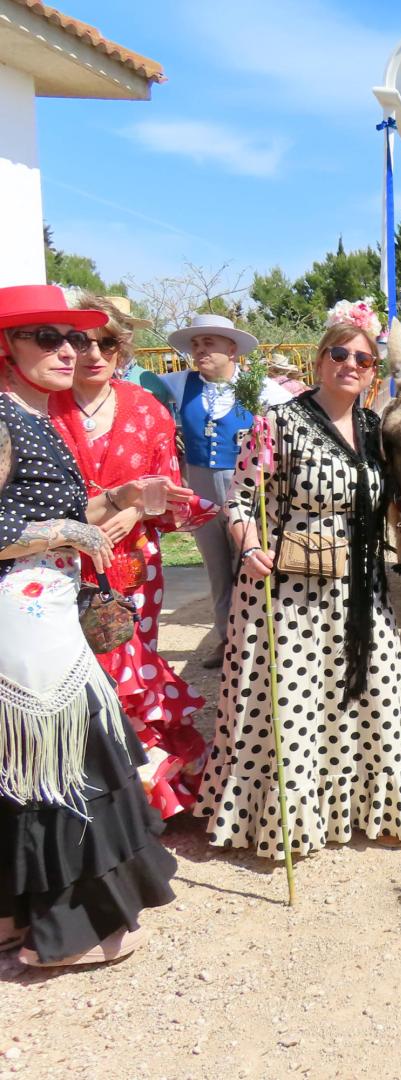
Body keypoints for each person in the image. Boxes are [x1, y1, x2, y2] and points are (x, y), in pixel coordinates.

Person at [197, 306, 401, 855]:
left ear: (374, 371)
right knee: (298, 708)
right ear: (320, 360)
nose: (351, 364)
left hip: (359, 586)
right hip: (290, 590)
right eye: (340, 354)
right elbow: (239, 501)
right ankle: (288, 819)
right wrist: (249, 545)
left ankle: (362, 807)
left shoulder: (377, 431)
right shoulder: (278, 423)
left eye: (363, 358)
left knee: (375, 693)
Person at [0, 284, 177, 967]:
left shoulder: (35, 416)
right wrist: (66, 528)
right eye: (47, 337)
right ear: (6, 348)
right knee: (57, 767)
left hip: (45, 611)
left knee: (39, 770)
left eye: (74, 338)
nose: (69, 350)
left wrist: (124, 496)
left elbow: (49, 507)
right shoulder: (5, 418)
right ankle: (63, 930)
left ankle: (17, 917)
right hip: (22, 623)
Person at [50, 293, 213, 818]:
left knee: (130, 674)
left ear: (124, 348)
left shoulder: (148, 410)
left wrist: (140, 512)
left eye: (108, 342)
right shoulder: (40, 408)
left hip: (133, 564)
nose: (94, 353)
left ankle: (139, 800)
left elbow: (167, 492)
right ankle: (76, 795)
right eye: (80, 340)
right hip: (56, 566)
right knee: (66, 676)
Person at [159, 313, 291, 667]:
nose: (199, 351)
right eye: (196, 345)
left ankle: (257, 638)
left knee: (248, 563)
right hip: (200, 488)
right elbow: (134, 383)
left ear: (231, 350)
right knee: (217, 568)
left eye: (209, 344)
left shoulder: (261, 386)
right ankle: (226, 639)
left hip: (246, 488)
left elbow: (293, 416)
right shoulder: (178, 382)